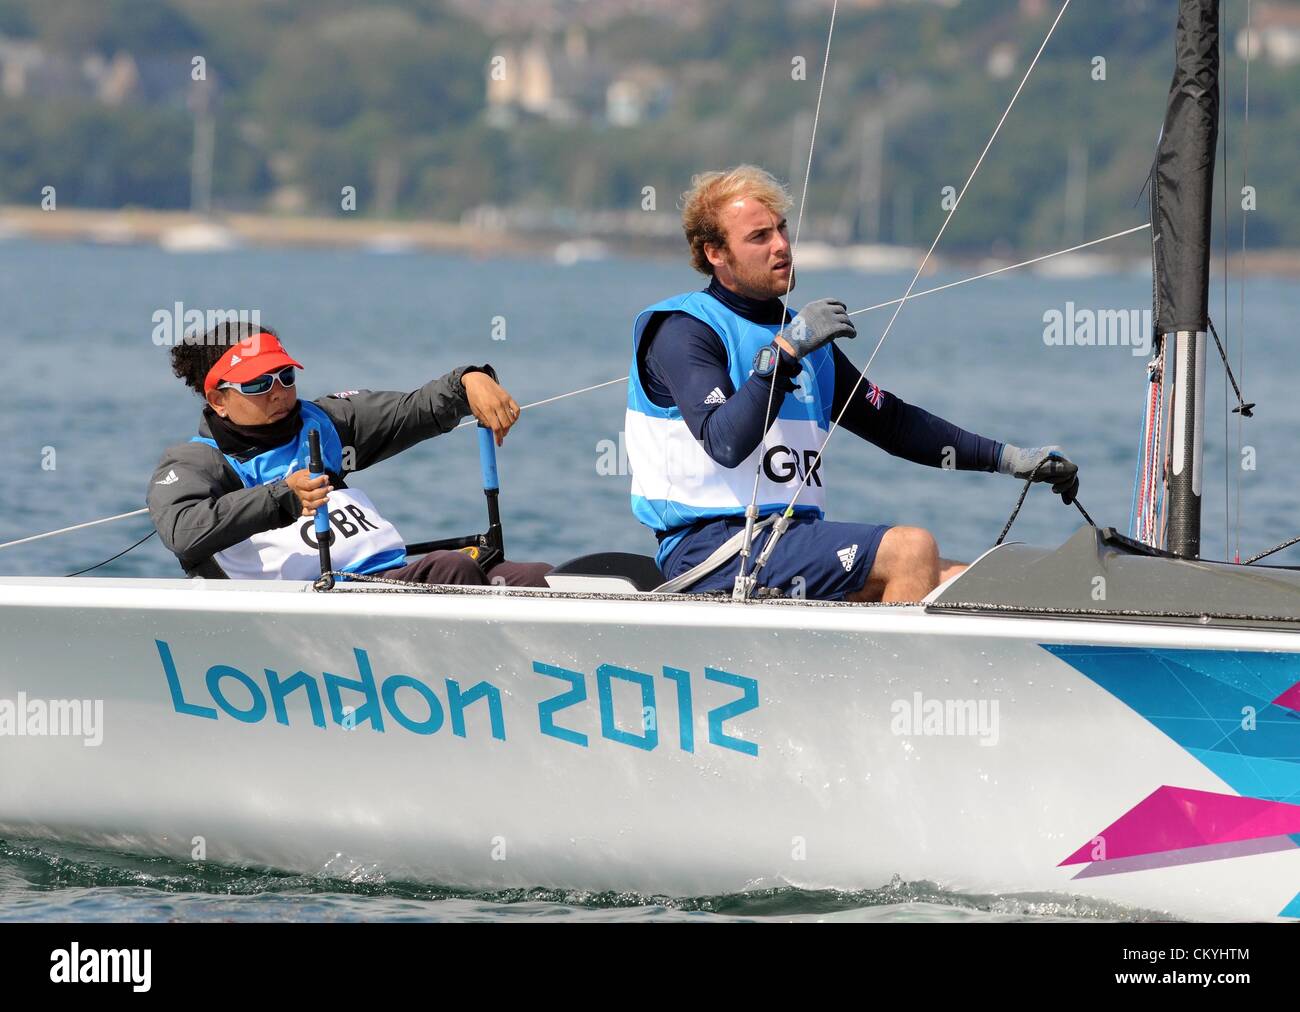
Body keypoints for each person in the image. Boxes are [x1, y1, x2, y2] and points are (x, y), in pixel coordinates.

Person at [627, 165, 1079, 602]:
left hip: (789, 542)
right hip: (710, 551)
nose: (781, 246)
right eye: (759, 237)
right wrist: (785, 353)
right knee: (911, 550)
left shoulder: (804, 340)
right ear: (714, 253)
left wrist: (1010, 459)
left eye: (782, 229)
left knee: (966, 583)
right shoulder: (685, 330)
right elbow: (725, 442)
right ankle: (895, 682)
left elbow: (895, 424)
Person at [148, 321, 552, 586]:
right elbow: (183, 532)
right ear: (218, 399)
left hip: (390, 577)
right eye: (256, 385)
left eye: (284, 377)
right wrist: (285, 497)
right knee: (453, 569)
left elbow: (417, 409)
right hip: (319, 603)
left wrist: (469, 381)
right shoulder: (196, 462)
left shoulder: (326, 421)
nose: (278, 392)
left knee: (541, 578)